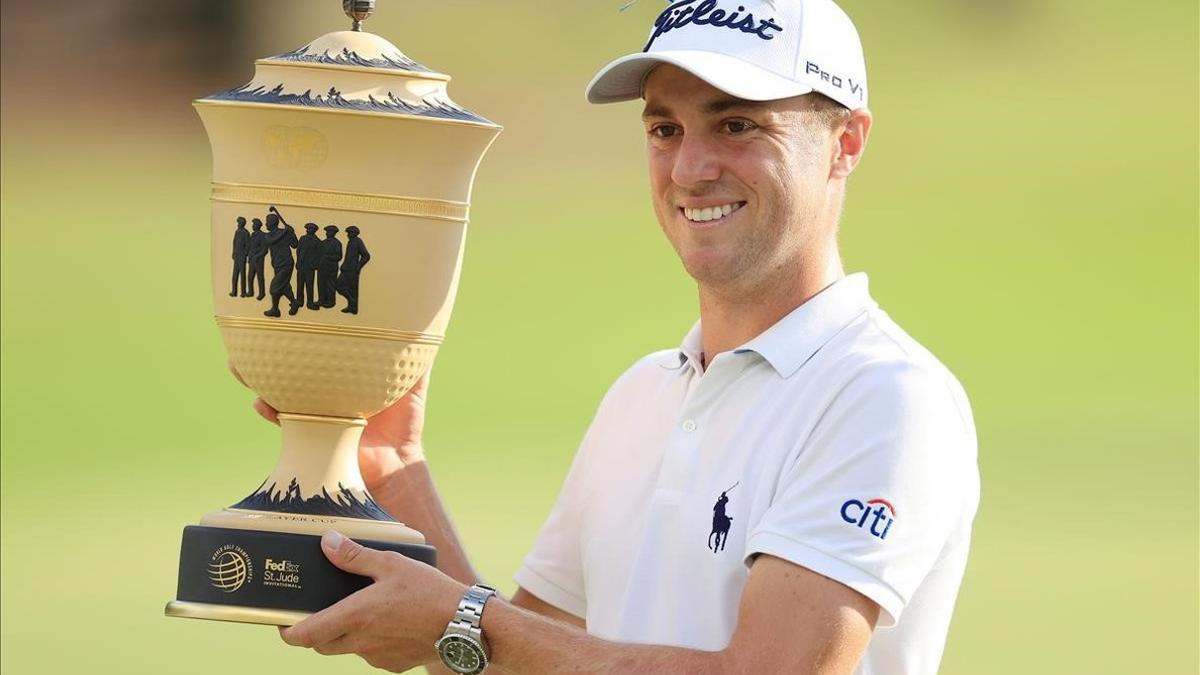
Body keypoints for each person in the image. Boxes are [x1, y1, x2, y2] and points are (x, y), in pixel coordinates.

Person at [256, 2, 979, 673]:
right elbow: (519, 655)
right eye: (666, 129)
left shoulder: (886, 398)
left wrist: (471, 624)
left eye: (737, 126)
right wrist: (392, 466)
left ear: (845, 142)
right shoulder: (644, 394)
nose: (691, 170)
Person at [262, 207, 301, 318]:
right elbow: (271, 241)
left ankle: (275, 309)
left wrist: (292, 233)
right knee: (284, 286)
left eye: (267, 222)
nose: (266, 224)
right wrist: (285, 232)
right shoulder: (268, 235)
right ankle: (294, 303)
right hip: (277, 264)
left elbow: (295, 244)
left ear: (272, 223)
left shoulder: (284, 232)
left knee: (274, 287)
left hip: (286, 264)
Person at [336, 225, 370, 314]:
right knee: (338, 286)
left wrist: (358, 266)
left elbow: (366, 255)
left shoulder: (358, 241)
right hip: (346, 269)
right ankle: (352, 302)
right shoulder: (351, 242)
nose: (347, 235)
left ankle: (353, 307)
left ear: (353, 233)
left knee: (352, 289)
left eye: (349, 233)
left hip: (352, 270)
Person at [296, 222, 322, 310]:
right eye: (308, 228)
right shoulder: (302, 238)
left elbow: (319, 255)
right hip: (301, 265)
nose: (308, 230)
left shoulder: (317, 241)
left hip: (310, 267)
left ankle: (310, 303)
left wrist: (315, 265)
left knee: (309, 285)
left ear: (314, 231)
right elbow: (298, 251)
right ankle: (299, 301)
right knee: (299, 284)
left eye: (310, 229)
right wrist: (298, 261)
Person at [317, 225, 342, 309]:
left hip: (331, 268)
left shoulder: (337, 243)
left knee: (330, 285)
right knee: (321, 284)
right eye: (327, 232)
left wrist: (327, 257)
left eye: (329, 232)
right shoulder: (323, 242)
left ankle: (330, 301)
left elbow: (339, 256)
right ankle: (321, 300)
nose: (327, 233)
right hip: (321, 267)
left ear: (334, 233)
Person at [230, 216, 250, 297]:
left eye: (239, 222)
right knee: (235, 274)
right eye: (238, 222)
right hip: (237, 256)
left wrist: (245, 254)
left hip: (242, 256)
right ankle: (234, 291)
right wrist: (233, 252)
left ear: (242, 223)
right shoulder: (237, 231)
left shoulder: (245, 232)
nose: (238, 224)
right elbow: (234, 243)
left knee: (242, 275)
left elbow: (248, 245)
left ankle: (243, 292)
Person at [248, 218, 268, 300]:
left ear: (258, 226)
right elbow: (250, 247)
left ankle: (262, 293)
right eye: (253, 224)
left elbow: (265, 250)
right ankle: (250, 291)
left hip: (259, 260)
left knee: (260, 276)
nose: (253, 226)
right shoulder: (252, 235)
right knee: (250, 276)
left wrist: (257, 256)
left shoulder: (263, 235)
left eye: (254, 224)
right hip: (252, 259)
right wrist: (249, 257)